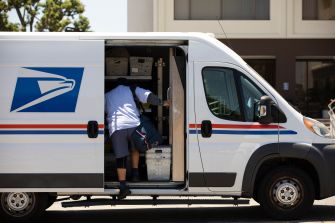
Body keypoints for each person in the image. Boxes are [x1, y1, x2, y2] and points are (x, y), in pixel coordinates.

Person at [105, 78, 169, 199]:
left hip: (116, 127)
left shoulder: (107, 95)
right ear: (126, 84)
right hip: (133, 124)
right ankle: (135, 174)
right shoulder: (132, 89)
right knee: (135, 148)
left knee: (121, 156)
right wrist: (163, 103)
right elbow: (148, 96)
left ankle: (123, 186)